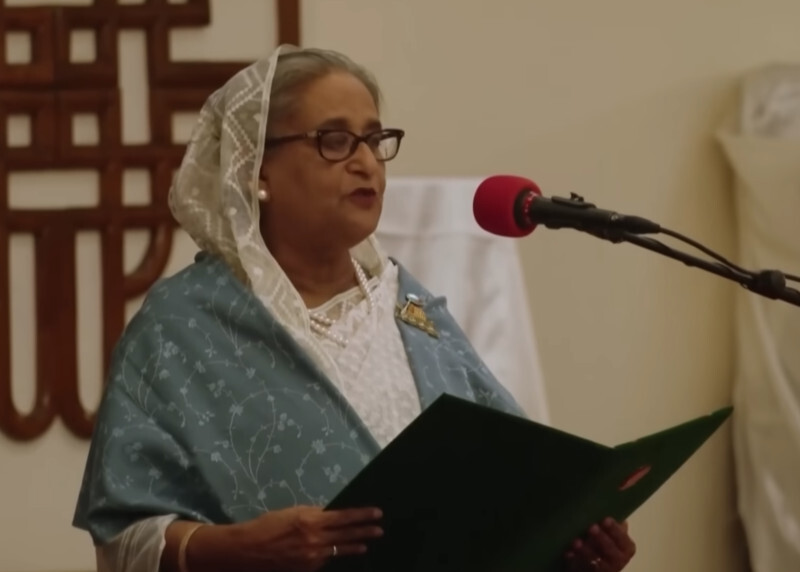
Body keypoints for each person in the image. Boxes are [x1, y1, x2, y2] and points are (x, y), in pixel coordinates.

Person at [72, 44, 637, 572]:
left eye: (374, 139)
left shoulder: (410, 308)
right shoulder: (181, 325)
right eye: (335, 140)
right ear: (257, 169)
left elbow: (512, 495)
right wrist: (242, 548)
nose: (367, 162)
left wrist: (572, 544)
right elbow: (122, 538)